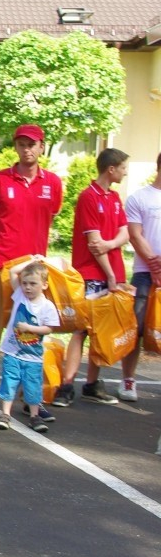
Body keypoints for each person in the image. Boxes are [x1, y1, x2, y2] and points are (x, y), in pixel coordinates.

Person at [0, 125, 62, 418]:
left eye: (32, 144)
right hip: (2, 266)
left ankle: (30, 398)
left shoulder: (54, 183)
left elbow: (50, 217)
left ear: (41, 147)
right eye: (22, 144)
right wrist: (5, 255)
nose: (27, 149)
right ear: (16, 147)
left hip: (35, 273)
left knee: (32, 336)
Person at [54, 148, 132, 407]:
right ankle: (66, 385)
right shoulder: (88, 197)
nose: (125, 172)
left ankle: (91, 384)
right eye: (122, 167)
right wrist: (109, 273)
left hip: (113, 273)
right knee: (82, 329)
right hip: (92, 274)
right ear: (111, 169)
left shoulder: (114, 198)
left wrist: (109, 246)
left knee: (101, 330)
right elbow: (92, 243)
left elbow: (123, 234)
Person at [0, 258, 60, 432]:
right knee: (9, 382)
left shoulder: (47, 306)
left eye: (33, 283)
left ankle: (34, 415)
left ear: (44, 285)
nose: (27, 287)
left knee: (32, 386)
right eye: (24, 283)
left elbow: (49, 328)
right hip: (13, 351)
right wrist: (33, 260)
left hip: (33, 355)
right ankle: (5, 414)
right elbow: (13, 271)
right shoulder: (20, 296)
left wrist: (30, 328)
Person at [122, 151, 161, 402]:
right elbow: (135, 235)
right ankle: (128, 380)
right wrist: (156, 267)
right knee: (135, 328)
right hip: (145, 274)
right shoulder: (139, 197)